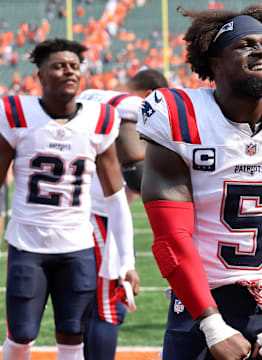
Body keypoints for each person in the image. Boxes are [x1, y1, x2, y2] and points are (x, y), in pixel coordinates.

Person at [137, 5, 262, 360]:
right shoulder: (180, 117)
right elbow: (171, 237)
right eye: (245, 45)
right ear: (214, 62)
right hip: (201, 303)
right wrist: (212, 325)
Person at [0, 38, 133, 360]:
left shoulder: (100, 119)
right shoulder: (16, 112)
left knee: (73, 335)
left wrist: (126, 261)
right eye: (59, 66)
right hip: (27, 243)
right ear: (40, 75)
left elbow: (116, 197)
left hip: (77, 246)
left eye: (74, 66)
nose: (68, 72)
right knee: (22, 335)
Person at [78, 68, 168, 360]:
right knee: (110, 305)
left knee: (90, 307)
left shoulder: (91, 97)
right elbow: (136, 171)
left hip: (84, 210)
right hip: (96, 212)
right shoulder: (133, 104)